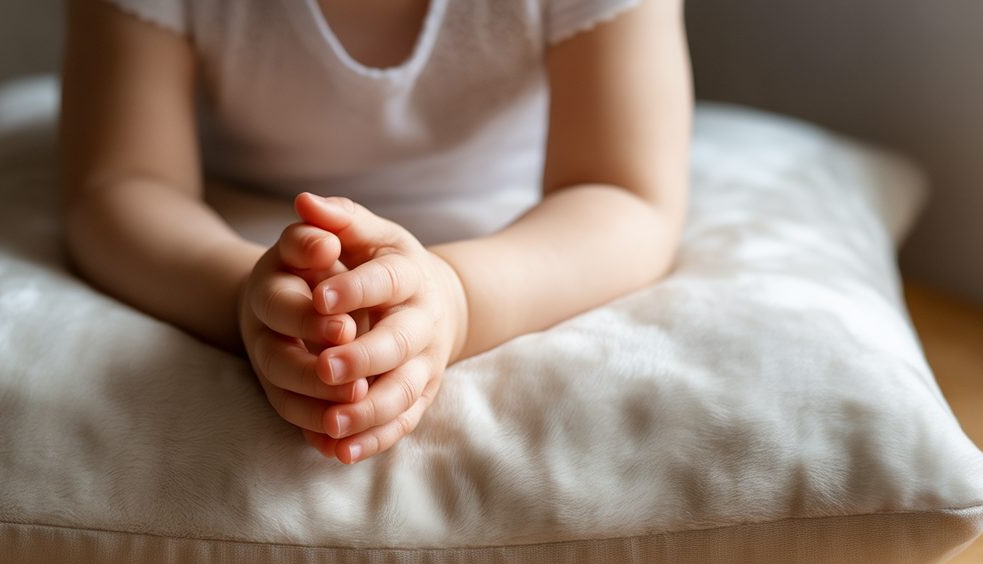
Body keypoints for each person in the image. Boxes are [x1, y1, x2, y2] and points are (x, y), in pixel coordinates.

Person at [58, 0, 692, 464]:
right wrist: (242, 295)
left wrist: (457, 298)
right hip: (240, 217)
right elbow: (118, 186)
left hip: (513, 227)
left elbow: (623, 194)